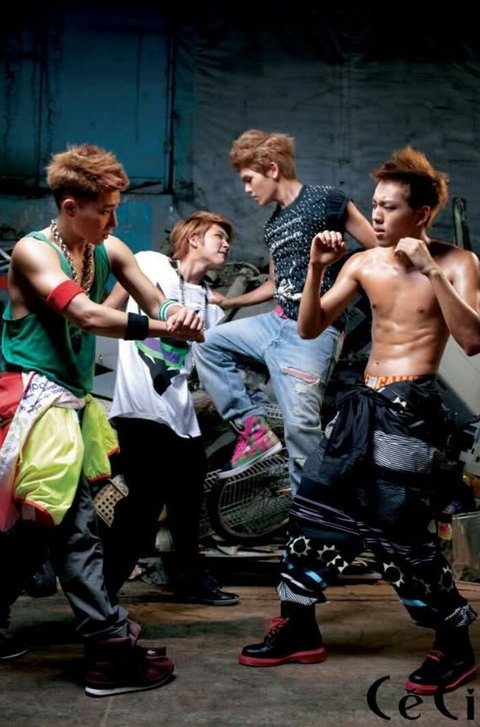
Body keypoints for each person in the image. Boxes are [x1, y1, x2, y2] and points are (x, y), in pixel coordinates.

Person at [239, 146, 480, 696]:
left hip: (411, 411)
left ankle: (453, 642)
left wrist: (431, 271)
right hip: (361, 406)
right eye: (374, 205)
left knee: (399, 527)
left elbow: (471, 340)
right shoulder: (362, 263)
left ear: (422, 214)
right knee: (313, 506)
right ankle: (299, 628)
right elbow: (308, 328)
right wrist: (317, 270)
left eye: (390, 207)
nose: (375, 215)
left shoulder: (458, 263)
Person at [0, 143, 205, 697]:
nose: (114, 222)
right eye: (104, 211)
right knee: (75, 528)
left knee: (35, 530)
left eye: (116, 209)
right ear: (70, 207)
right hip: (33, 404)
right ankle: (108, 648)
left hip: (70, 402)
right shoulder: (34, 252)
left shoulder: (106, 249)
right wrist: (163, 329)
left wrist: (176, 313)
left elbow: (154, 299)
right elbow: (87, 315)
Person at [192, 130, 376, 497]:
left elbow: (377, 250)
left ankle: (310, 520)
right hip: (274, 322)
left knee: (300, 429)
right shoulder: (273, 225)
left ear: (272, 169)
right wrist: (230, 303)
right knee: (207, 342)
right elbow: (276, 284)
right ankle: (253, 432)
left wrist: (351, 279)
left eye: (249, 179)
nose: (247, 189)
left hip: (313, 332)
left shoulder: (328, 201)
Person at [102, 210, 239, 606]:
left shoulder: (212, 307)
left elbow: (197, 366)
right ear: (194, 238)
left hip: (181, 417)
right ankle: (103, 593)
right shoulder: (150, 264)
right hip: (140, 408)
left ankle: (189, 580)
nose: (226, 244)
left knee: (188, 503)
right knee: (143, 503)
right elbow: (109, 311)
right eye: (218, 235)